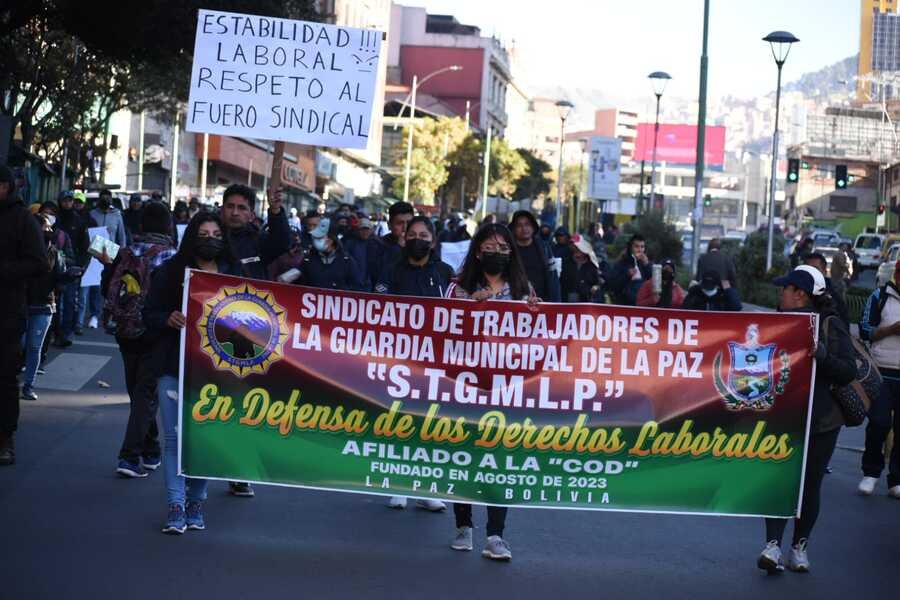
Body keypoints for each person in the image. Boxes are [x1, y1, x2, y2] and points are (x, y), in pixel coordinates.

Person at [143, 212, 242, 533]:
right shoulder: (171, 272)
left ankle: (196, 499)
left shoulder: (235, 275)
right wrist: (166, 318)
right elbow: (149, 313)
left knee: (205, 438)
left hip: (217, 373)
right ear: (192, 236)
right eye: (204, 233)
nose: (210, 239)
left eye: (216, 234)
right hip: (174, 366)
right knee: (174, 438)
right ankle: (176, 504)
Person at [446, 224, 538, 562]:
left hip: (505, 388)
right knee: (465, 454)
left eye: (503, 245)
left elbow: (534, 337)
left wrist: (535, 313)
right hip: (466, 385)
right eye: (489, 244)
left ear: (511, 252)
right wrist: (471, 304)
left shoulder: (521, 288)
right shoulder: (458, 286)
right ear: (477, 250)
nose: (496, 250)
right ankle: (463, 526)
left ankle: (496, 534)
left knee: (501, 459)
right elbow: (438, 326)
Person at [757, 265, 856, 573]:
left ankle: (799, 548)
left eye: (785, 288)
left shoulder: (830, 325)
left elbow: (848, 371)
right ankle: (772, 546)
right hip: (783, 418)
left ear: (799, 295)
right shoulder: (777, 323)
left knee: (810, 485)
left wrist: (821, 354)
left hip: (822, 421)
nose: (780, 293)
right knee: (778, 481)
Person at [375, 216, 453, 511]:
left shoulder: (446, 273)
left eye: (424, 234)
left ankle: (425, 486)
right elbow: (377, 309)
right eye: (413, 234)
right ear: (404, 238)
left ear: (433, 241)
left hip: (436, 359)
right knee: (399, 418)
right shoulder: (390, 271)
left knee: (430, 422)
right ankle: (397, 483)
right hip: (400, 356)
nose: (418, 239)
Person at [100, 202, 176, 478]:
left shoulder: (123, 253)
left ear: (140, 226)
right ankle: (130, 457)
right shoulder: (172, 258)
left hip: (125, 330)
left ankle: (151, 449)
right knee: (145, 394)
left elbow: (104, 287)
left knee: (137, 391)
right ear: (169, 226)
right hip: (156, 332)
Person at [0, 165, 51, 465]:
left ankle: (6, 437)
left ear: (7, 186)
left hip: (7, 311)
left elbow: (39, 263)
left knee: (5, 376)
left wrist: (5, 271)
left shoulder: (22, 219)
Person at [857, 259, 900, 500]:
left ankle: (896, 480)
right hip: (882, 370)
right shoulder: (880, 296)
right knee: (879, 424)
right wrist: (890, 330)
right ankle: (871, 473)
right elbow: (865, 330)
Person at [20, 213, 65, 402]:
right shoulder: (20, 250)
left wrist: (69, 276)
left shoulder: (54, 252)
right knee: (18, 344)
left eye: (49, 228)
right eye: (45, 228)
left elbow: (60, 277)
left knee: (34, 347)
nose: (49, 231)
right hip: (20, 303)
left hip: (45, 304)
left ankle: (29, 385)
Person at [221, 184, 290, 281]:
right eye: (230, 206)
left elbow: (282, 243)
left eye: (242, 208)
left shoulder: (259, 240)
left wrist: (275, 210)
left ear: (252, 215)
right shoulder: (210, 236)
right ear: (222, 209)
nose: (235, 213)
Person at [54, 192, 92, 345]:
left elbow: (85, 247)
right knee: (55, 303)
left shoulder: (79, 221)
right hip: (54, 267)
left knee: (70, 302)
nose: (68, 203)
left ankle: (65, 333)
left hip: (72, 267)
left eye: (70, 201)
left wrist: (81, 266)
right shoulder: (55, 220)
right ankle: (54, 332)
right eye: (65, 200)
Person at [295, 219, 364, 291]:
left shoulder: (347, 261)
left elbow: (357, 287)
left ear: (331, 240)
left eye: (319, 238)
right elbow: (296, 278)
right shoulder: (308, 260)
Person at [367, 201, 414, 288]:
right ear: (389, 225)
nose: (405, 228)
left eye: (409, 223)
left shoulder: (421, 245)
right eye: (400, 223)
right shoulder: (377, 245)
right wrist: (398, 248)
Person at [803, 252, 850, 327]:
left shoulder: (835, 300)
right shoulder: (794, 294)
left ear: (824, 272)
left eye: (815, 269)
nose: (811, 273)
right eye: (807, 269)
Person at [608, 234, 652, 306]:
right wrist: (627, 275)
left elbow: (653, 282)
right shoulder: (621, 263)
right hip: (625, 305)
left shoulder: (645, 264)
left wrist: (647, 265)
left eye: (642, 247)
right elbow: (613, 286)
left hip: (643, 305)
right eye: (636, 246)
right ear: (630, 248)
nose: (640, 250)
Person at [560, 233, 604, 303]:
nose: (576, 251)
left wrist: (595, 287)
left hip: (585, 304)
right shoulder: (565, 263)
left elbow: (598, 282)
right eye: (574, 248)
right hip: (566, 303)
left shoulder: (592, 266)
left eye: (579, 248)